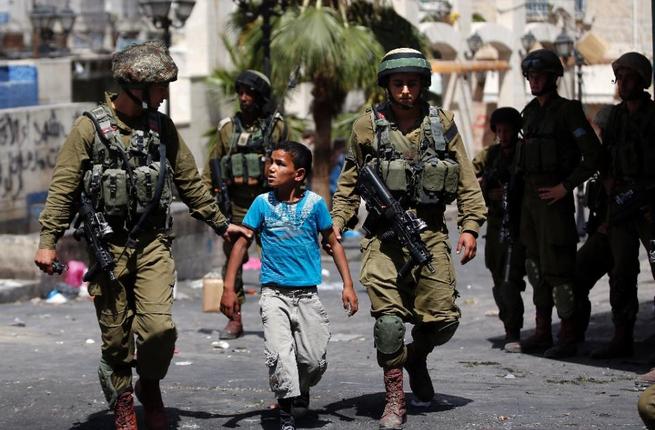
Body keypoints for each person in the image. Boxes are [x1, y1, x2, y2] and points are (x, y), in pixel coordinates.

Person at [33, 40, 248, 430]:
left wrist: (221, 222)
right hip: (108, 247)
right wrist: (48, 243)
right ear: (136, 87)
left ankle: (149, 383)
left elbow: (188, 181)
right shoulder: (90, 128)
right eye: (160, 88)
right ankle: (123, 403)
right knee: (116, 340)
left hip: (152, 243)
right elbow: (63, 187)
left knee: (159, 330)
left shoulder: (160, 127)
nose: (164, 96)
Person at [331, 48, 486, 429]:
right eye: (397, 83)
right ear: (387, 85)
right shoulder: (367, 126)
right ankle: (395, 398)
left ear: (423, 85)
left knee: (444, 321)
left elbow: (467, 181)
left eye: (411, 84)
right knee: (388, 323)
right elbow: (349, 184)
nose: (404, 91)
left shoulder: (442, 123)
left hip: (430, 233)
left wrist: (470, 226)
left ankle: (416, 355)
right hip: (382, 239)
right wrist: (337, 222)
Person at [220, 141, 358, 430]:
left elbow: (333, 243)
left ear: (298, 174)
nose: (271, 167)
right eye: (271, 162)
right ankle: (285, 415)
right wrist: (229, 288)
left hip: (307, 295)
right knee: (281, 355)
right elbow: (240, 244)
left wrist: (348, 285)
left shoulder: (315, 205)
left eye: (280, 164)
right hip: (273, 294)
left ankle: (301, 388)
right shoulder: (261, 204)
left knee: (313, 360)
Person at [517, 49, 601, 359]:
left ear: (553, 78)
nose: (533, 81)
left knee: (560, 270)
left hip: (554, 202)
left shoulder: (568, 111)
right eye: (530, 76)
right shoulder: (529, 112)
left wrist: (565, 187)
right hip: (531, 202)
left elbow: (593, 156)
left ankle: (568, 335)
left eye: (539, 76)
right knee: (536, 267)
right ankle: (542, 331)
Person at [201, 69, 287, 340]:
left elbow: (290, 161)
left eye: (249, 93)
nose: (244, 98)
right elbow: (212, 165)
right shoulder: (228, 128)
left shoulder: (276, 126)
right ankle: (234, 318)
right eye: (240, 93)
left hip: (268, 202)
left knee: (274, 259)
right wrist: (206, 205)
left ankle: (279, 316)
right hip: (236, 205)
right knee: (233, 263)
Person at [595, 52, 655, 359]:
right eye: (619, 77)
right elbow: (604, 158)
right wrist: (607, 182)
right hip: (620, 205)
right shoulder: (614, 117)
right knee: (621, 271)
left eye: (630, 77)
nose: (623, 83)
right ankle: (622, 333)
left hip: (648, 205)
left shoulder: (652, 116)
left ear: (643, 81)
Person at [472, 107, 526, 353]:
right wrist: (486, 189)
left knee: (510, 280)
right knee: (498, 276)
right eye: (500, 131)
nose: (504, 135)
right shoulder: (490, 155)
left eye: (508, 130)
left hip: (522, 223)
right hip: (496, 226)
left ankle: (517, 330)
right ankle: (509, 328)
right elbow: (468, 177)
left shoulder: (524, 153)